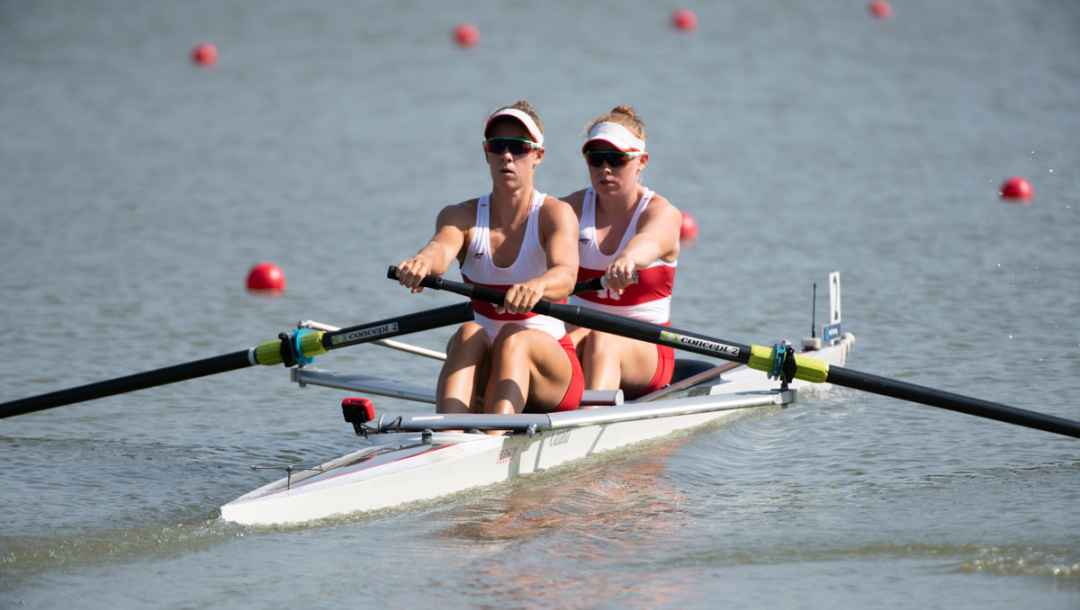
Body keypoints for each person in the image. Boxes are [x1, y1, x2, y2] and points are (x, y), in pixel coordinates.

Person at [395, 102, 583, 420]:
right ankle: (448, 439)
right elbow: (439, 250)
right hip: (487, 364)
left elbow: (566, 274)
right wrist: (421, 263)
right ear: (486, 153)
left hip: (550, 372)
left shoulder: (554, 213)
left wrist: (537, 286)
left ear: (538, 156)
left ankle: (493, 441)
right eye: (497, 147)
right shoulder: (461, 216)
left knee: (513, 336)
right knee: (467, 332)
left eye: (519, 148)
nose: (507, 156)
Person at [562, 106, 683, 402]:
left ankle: (584, 426)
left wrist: (627, 259)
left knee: (602, 339)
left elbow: (650, 242)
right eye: (595, 158)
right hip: (580, 336)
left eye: (616, 159)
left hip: (648, 350)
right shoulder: (567, 210)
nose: (605, 168)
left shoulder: (662, 213)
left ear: (641, 161)